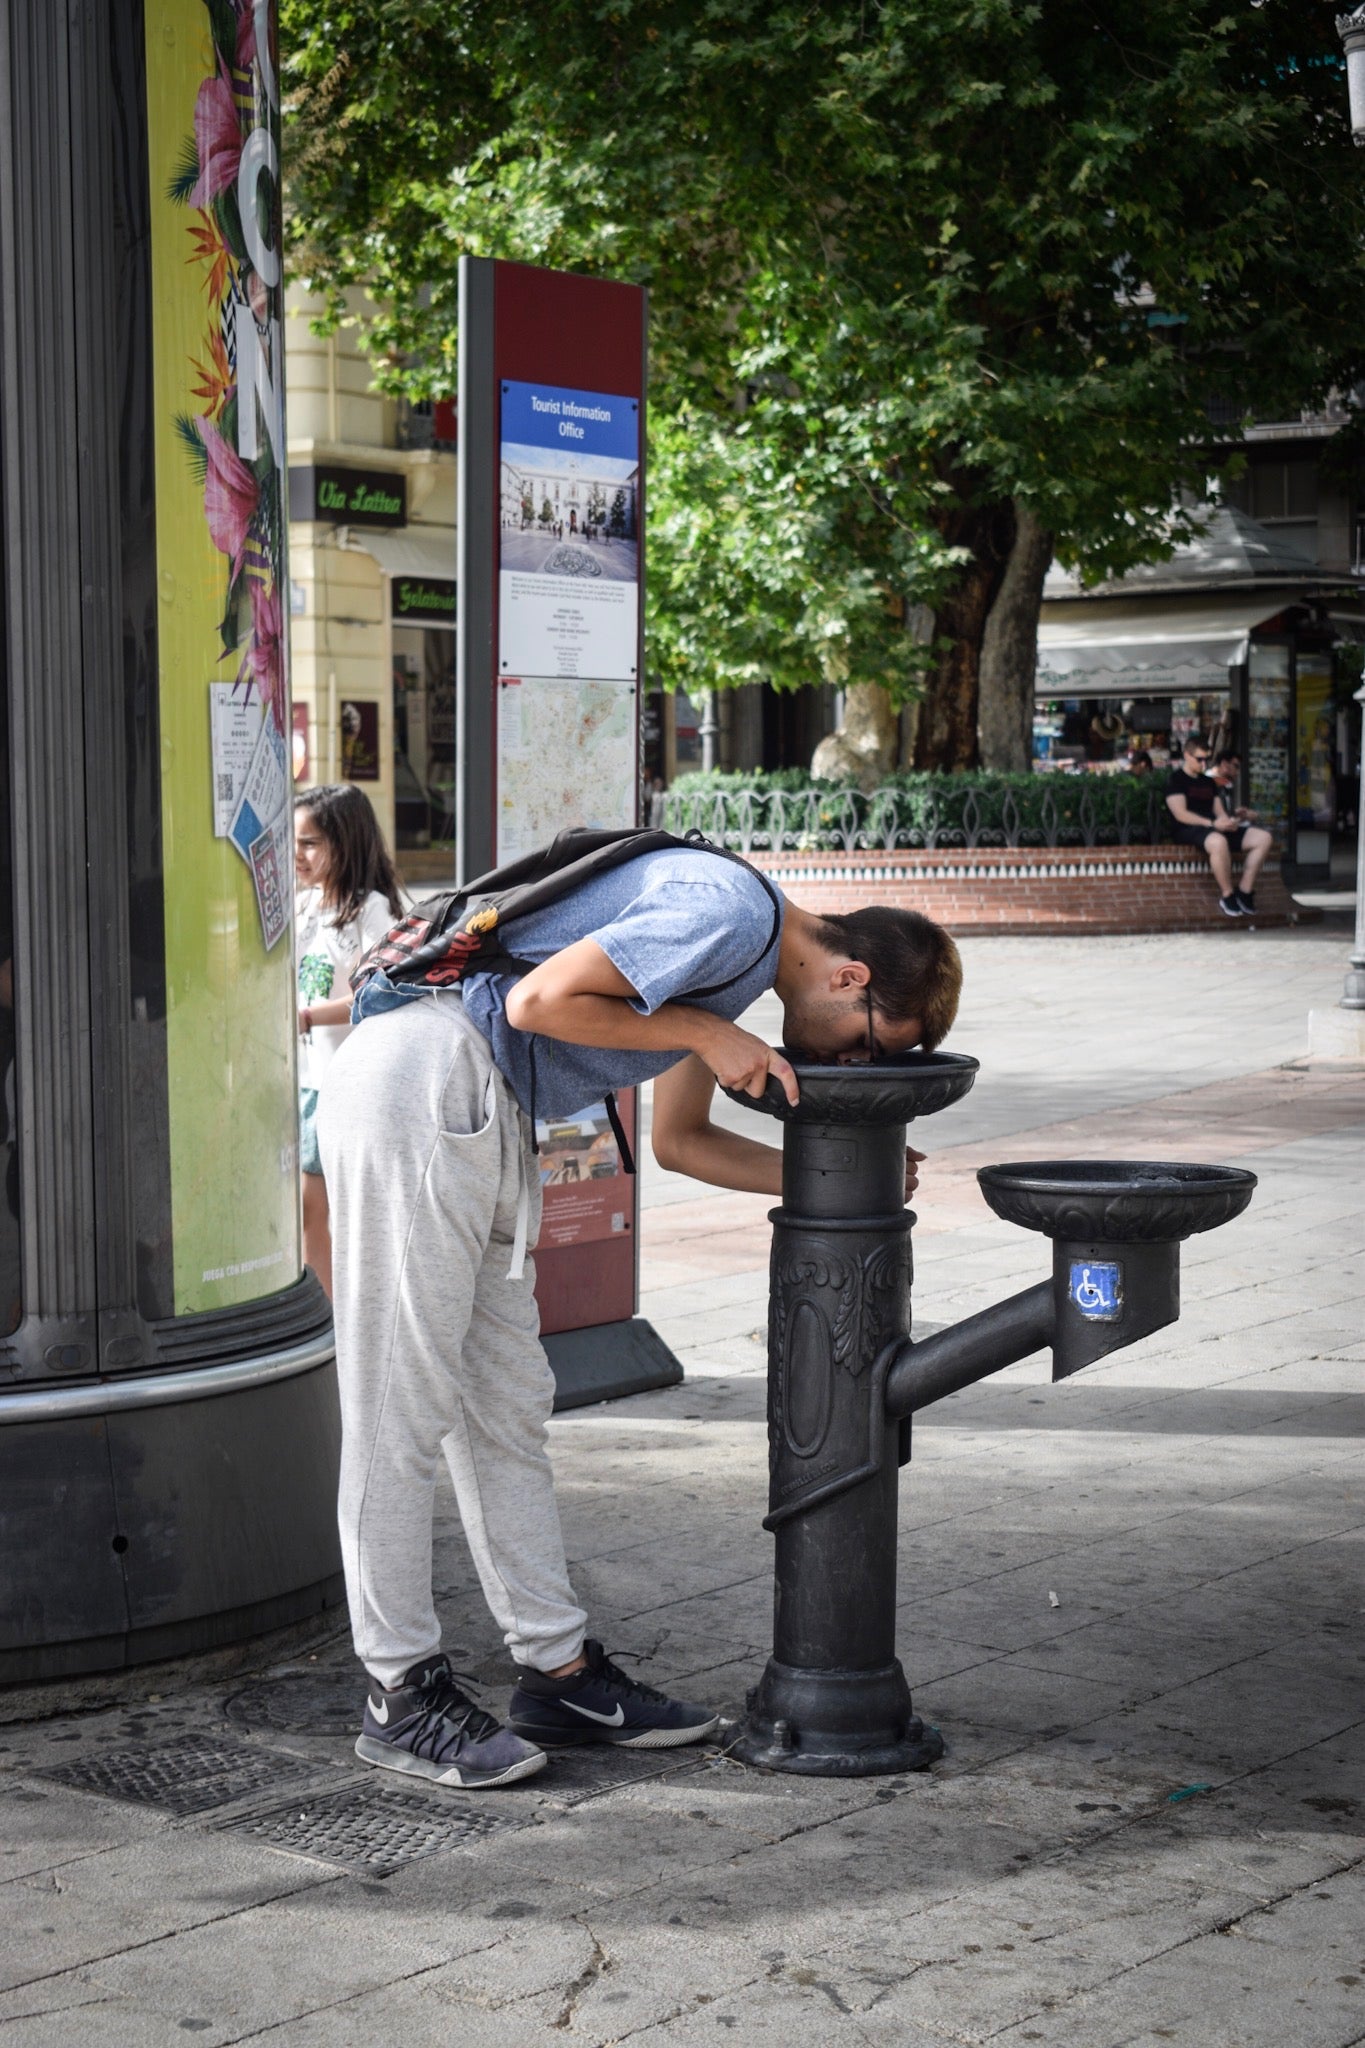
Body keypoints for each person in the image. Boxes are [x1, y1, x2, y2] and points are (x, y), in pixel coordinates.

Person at [316, 844, 962, 1791]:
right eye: (867, 1039)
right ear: (850, 975)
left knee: (506, 1411)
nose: (849, 1059)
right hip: (423, 1076)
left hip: (483, 1104)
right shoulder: (731, 912)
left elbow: (679, 1143)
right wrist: (702, 1034)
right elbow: (539, 1002)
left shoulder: (734, 971)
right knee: (397, 1406)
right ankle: (398, 1690)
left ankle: (557, 1672)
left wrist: (835, 1172)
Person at [294, 785, 404, 1298]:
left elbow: (381, 992)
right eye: (294, 841)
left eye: (310, 843)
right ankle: (326, 1318)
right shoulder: (304, 906)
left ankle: (335, 1321)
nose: (298, 855)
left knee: (326, 1211)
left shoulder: (370, 911)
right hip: (304, 1082)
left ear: (346, 842)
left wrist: (308, 1017)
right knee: (306, 1210)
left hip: (345, 1085)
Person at [1165, 733, 1272, 918]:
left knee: (1263, 838)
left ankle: (1245, 892)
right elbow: (1180, 814)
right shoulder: (1176, 780)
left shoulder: (1208, 782)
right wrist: (1212, 823)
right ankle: (1227, 895)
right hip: (1188, 829)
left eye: (1206, 759)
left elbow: (1219, 810)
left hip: (1212, 827)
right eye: (1199, 759)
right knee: (1218, 842)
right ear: (1186, 755)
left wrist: (1228, 822)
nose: (1203, 764)